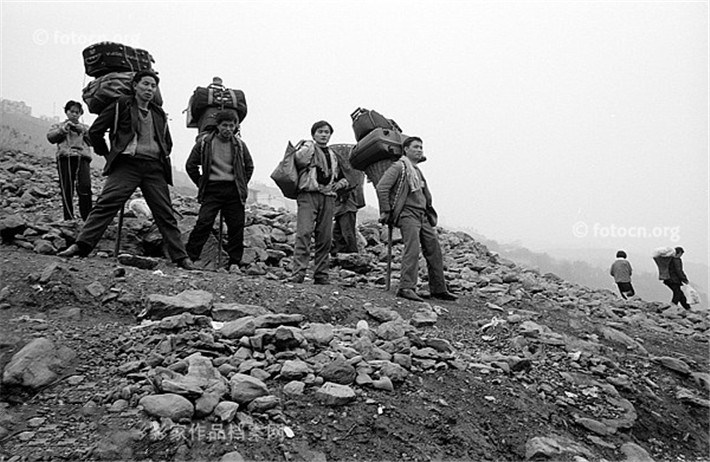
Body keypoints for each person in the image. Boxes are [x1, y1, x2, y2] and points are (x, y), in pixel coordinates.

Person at [58, 70, 195, 270]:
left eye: (153, 86)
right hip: (127, 165)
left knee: (164, 212)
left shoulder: (158, 113)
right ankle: (81, 246)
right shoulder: (121, 105)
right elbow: (96, 132)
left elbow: (168, 142)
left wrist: (160, 154)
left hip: (153, 168)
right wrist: (108, 154)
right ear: (135, 85)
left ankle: (181, 257)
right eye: (145, 84)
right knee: (106, 204)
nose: (149, 89)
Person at [376, 136, 458, 302]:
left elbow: (424, 194)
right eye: (416, 147)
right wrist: (386, 210)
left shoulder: (416, 171)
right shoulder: (399, 166)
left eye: (421, 147)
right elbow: (382, 187)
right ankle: (406, 287)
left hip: (422, 215)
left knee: (434, 250)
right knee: (412, 249)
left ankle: (439, 289)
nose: (420, 150)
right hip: (407, 213)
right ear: (406, 149)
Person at [185, 110, 253, 269]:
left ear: (236, 126)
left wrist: (241, 183)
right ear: (218, 125)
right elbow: (191, 165)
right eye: (225, 125)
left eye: (232, 125)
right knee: (204, 222)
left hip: (233, 191)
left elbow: (249, 166)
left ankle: (234, 262)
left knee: (236, 226)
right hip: (212, 189)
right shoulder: (205, 143)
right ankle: (189, 257)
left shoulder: (239, 145)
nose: (228, 129)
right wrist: (201, 182)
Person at [290, 120, 349, 284]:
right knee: (304, 233)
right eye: (320, 132)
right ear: (314, 134)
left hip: (328, 196)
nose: (324, 135)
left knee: (325, 237)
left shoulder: (333, 155)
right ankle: (298, 272)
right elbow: (298, 159)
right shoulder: (307, 149)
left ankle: (321, 274)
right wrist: (307, 145)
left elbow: (342, 177)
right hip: (308, 194)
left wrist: (340, 184)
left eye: (327, 132)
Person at [46, 100, 93, 221]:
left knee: (85, 186)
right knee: (67, 188)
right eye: (72, 111)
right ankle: (68, 218)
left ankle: (87, 218)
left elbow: (93, 141)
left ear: (81, 114)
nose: (74, 114)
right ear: (66, 112)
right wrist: (63, 130)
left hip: (82, 158)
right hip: (65, 158)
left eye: (77, 112)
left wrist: (82, 131)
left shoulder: (85, 128)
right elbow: (51, 137)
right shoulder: (59, 126)